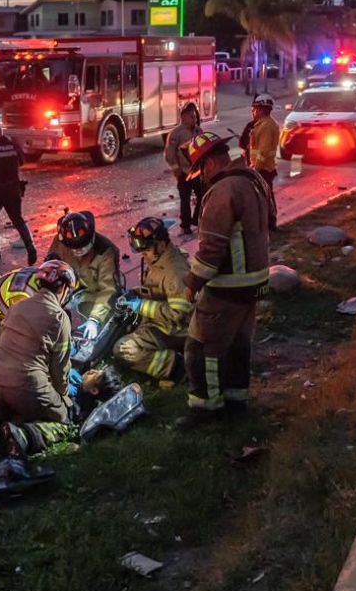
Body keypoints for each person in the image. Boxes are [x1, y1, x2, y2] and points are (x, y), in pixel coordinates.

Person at [176, 132, 272, 428]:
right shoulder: (252, 180)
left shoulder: (222, 191)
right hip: (253, 284)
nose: (200, 179)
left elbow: (212, 248)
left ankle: (206, 409)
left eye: (200, 171)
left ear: (210, 164)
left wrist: (192, 283)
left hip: (228, 286)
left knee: (200, 347)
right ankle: (235, 401)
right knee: (238, 345)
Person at [0, 259, 80, 460]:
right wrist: (63, 398)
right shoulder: (59, 317)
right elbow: (59, 369)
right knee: (65, 421)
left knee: (2, 412)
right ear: (62, 288)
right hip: (27, 386)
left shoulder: (16, 307)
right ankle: (25, 436)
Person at [113, 217, 192, 381]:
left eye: (146, 251)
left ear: (161, 244)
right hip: (162, 325)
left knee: (123, 349)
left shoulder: (175, 271)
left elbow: (179, 315)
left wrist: (141, 305)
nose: (144, 255)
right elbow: (157, 288)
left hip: (174, 330)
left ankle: (176, 366)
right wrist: (135, 293)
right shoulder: (162, 258)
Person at [45, 211, 122, 341]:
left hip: (93, 295)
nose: (78, 250)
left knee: (100, 335)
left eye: (83, 246)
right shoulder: (61, 241)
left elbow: (108, 290)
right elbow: (50, 267)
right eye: (73, 248)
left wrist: (94, 319)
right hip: (67, 291)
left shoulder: (105, 252)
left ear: (91, 237)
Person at [0, 124, 38, 265]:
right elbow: (22, 162)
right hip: (13, 189)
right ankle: (30, 246)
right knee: (17, 219)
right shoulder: (13, 145)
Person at [163, 105, 204, 234]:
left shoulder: (198, 131)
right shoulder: (176, 133)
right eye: (192, 117)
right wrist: (176, 169)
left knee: (202, 196)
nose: (195, 119)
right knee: (185, 200)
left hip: (198, 171)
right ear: (184, 118)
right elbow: (170, 153)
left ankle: (197, 220)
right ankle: (185, 225)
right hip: (184, 172)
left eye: (195, 116)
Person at [243, 94, 281, 231]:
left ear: (261, 110)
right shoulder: (264, 124)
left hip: (263, 169)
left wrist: (255, 169)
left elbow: (263, 151)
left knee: (265, 197)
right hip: (264, 168)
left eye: (254, 109)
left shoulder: (265, 126)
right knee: (265, 196)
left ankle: (270, 224)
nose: (252, 112)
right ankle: (268, 223)